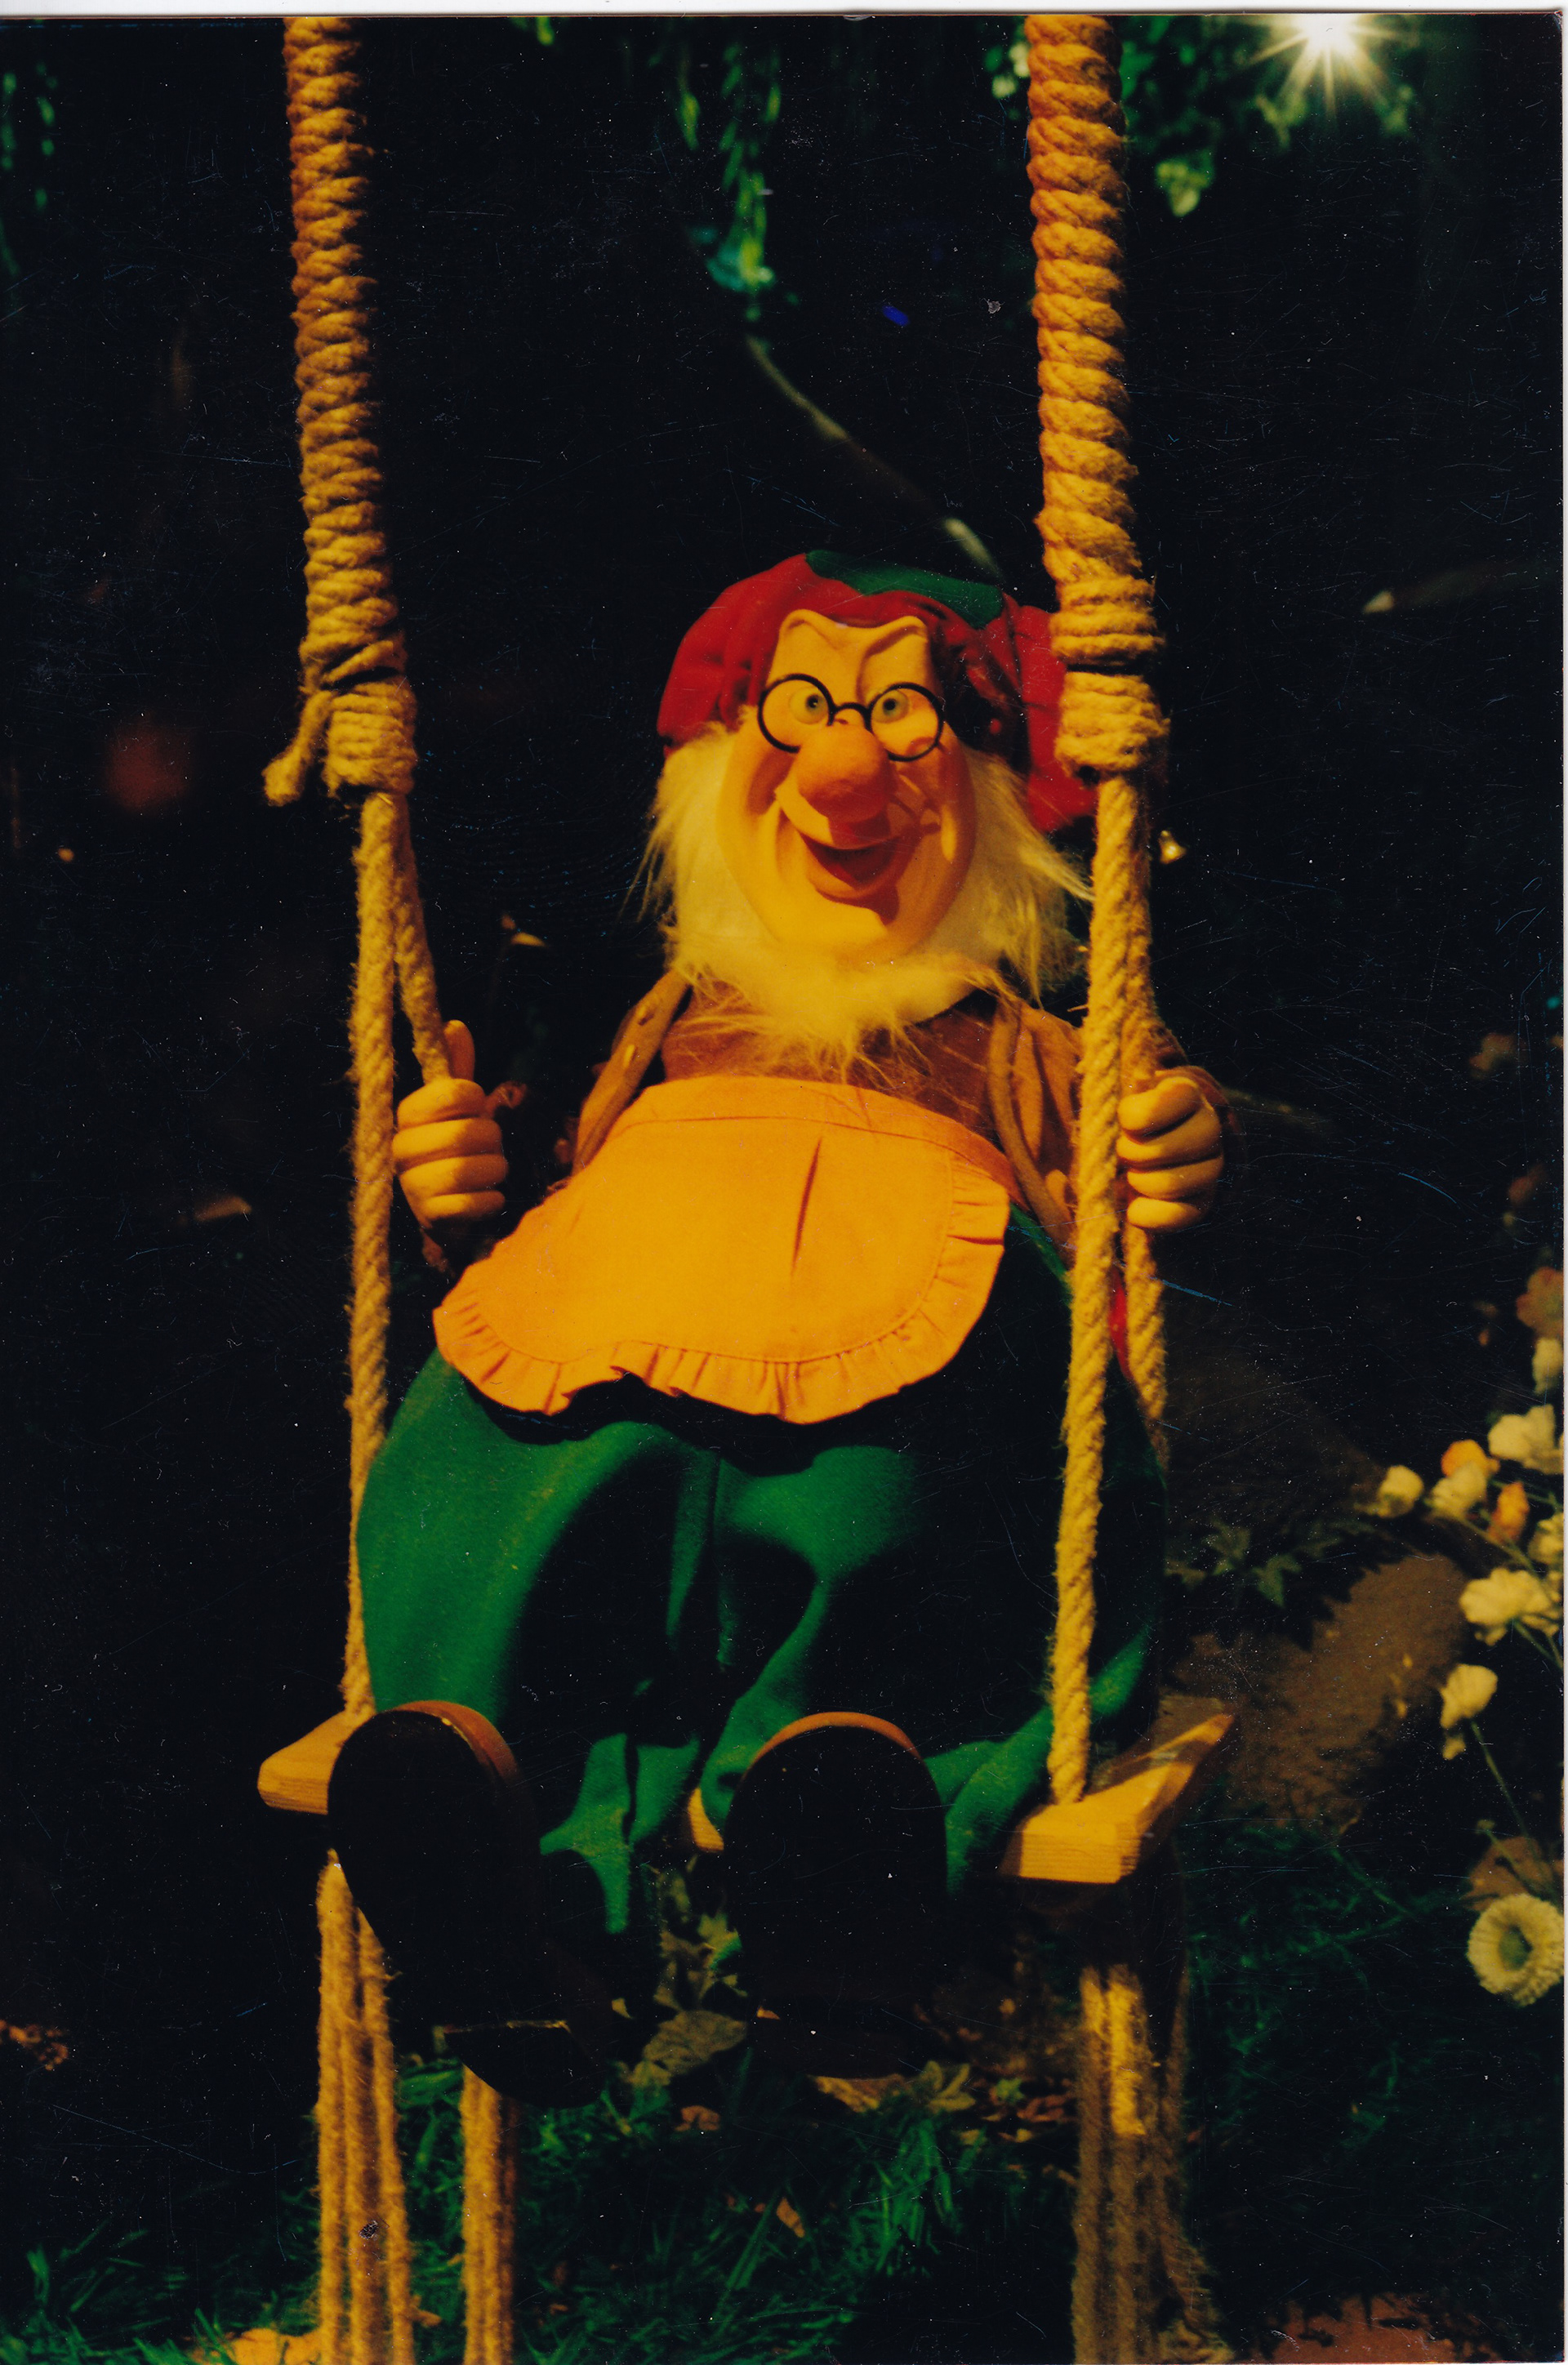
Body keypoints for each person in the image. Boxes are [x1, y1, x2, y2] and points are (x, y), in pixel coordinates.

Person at [328, 552, 1225, 2097]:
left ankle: (840, 1878)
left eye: (903, 719)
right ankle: (506, 1873)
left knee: (885, 1501)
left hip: (899, 1360)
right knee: (493, 1465)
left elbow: (1126, 1163)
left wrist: (1179, 1139)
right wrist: (466, 1191)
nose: (843, 777)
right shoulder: (664, 1027)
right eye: (804, 709)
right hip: (637, 1327)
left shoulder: (1012, 1048)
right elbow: (562, 1190)